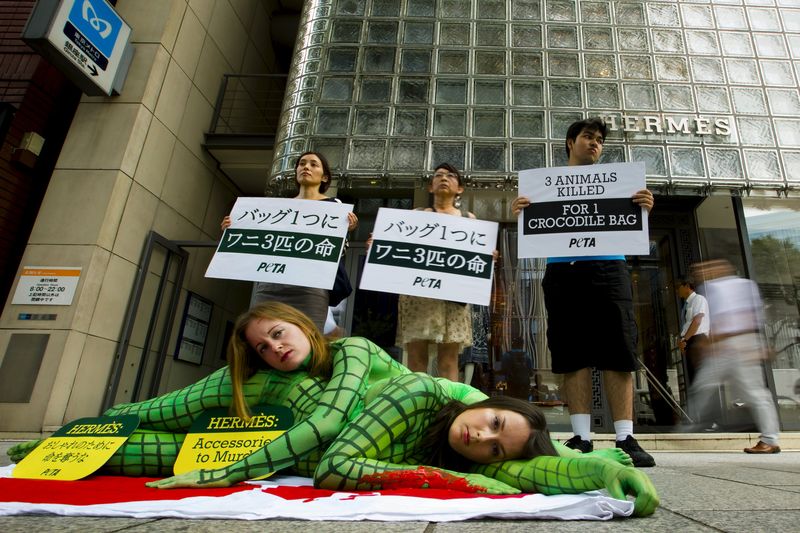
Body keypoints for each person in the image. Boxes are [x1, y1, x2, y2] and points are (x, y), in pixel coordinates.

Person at [511, 117, 657, 468]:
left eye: (599, 140)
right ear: (570, 142)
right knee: (570, 351)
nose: (594, 144)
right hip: (564, 271)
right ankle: (582, 436)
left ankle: (625, 437)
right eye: (588, 137)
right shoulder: (545, 186)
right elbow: (532, 224)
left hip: (610, 267)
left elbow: (632, 221)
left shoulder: (620, 186)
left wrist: (644, 207)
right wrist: (518, 211)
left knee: (618, 349)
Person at [314, 372, 659, 517]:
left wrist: (599, 468)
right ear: (486, 404)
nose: (482, 436)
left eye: (495, 449)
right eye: (493, 423)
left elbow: (536, 465)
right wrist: (451, 480)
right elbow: (332, 468)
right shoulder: (436, 395)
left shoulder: (479, 452)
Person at [221, 151, 358, 331]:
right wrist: (232, 229)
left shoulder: (335, 207)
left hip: (310, 289)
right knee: (264, 335)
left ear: (324, 177)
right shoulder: (276, 209)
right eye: (302, 163)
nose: (306, 167)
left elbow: (337, 252)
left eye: (313, 164)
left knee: (306, 340)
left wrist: (345, 231)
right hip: (270, 286)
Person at [688, 260, 781, 454]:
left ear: (721, 268)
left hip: (736, 343)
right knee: (705, 385)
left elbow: (739, 317)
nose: (700, 272)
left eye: (705, 268)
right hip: (729, 343)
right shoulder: (726, 286)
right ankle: (692, 425)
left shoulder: (719, 287)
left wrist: (705, 343)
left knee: (753, 393)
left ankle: (770, 439)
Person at [395, 163, 475, 382]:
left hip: (454, 298)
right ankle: (418, 407)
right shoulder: (416, 215)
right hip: (419, 295)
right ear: (430, 187)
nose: (444, 178)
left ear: (460, 188)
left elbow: (475, 258)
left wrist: (488, 256)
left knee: (449, 361)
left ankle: (448, 411)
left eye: (450, 175)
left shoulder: (469, 220)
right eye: (438, 175)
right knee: (416, 359)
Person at [677, 278, 709, 383]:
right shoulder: (687, 304)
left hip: (698, 340)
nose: (677, 290)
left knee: (700, 378)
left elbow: (697, 321)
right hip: (690, 341)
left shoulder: (698, 299)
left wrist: (684, 340)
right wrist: (682, 340)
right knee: (694, 378)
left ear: (687, 286)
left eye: (679, 287)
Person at [459, 304, 491, 388]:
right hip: (461, 324)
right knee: (464, 358)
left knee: (470, 359)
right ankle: (464, 385)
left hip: (475, 329)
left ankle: (466, 385)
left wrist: (488, 329)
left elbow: (485, 309)